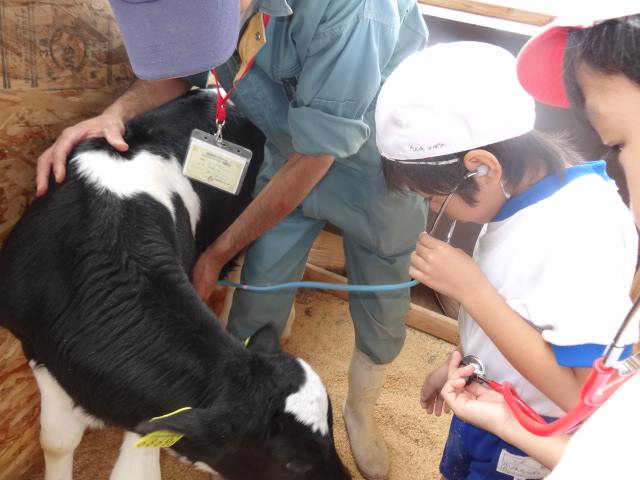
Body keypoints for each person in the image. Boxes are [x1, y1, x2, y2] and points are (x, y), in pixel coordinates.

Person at [35, 1, 430, 478]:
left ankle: (361, 408)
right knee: (256, 297)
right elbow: (179, 73)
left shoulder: (356, 11)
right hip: (281, 161)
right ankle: (252, 425)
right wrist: (112, 115)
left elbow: (317, 155)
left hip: (375, 172)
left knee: (383, 302)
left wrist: (216, 253)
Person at [374, 41, 638, 479]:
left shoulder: (583, 230)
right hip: (490, 403)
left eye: (431, 197)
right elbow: (519, 314)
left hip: (532, 438)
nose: (431, 210)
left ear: (482, 167)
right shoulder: (519, 202)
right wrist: (467, 364)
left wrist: (470, 290)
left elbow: (580, 396)